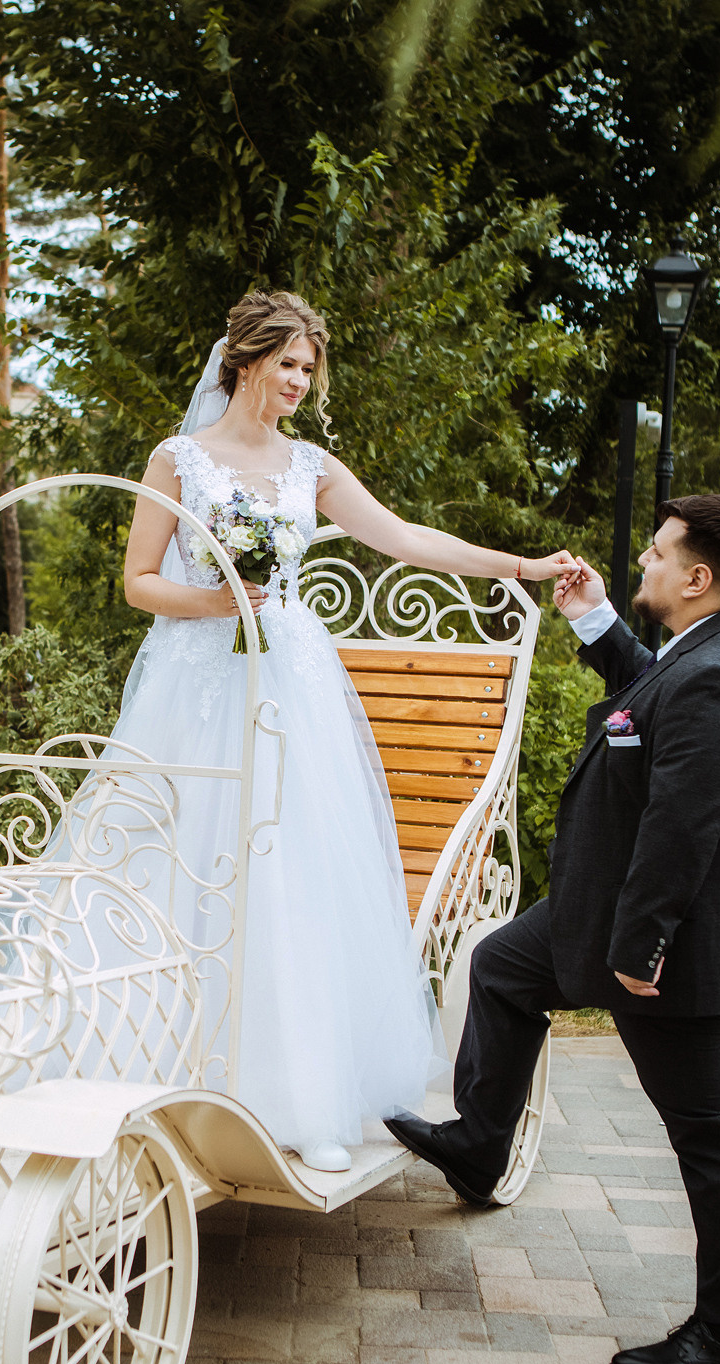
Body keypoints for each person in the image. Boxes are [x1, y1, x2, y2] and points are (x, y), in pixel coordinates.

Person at [87, 290, 575, 1174]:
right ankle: (155, 1076)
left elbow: (405, 539)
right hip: (194, 688)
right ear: (243, 362)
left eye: (309, 369)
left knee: (286, 877)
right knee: (178, 865)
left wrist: (520, 565)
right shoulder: (178, 459)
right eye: (288, 366)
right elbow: (138, 581)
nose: (301, 384)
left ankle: (296, 1095)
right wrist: (217, 600)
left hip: (288, 686)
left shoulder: (311, 466)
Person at [387, 493, 720, 1364]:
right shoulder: (714, 647)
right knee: (500, 967)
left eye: (655, 554)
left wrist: (639, 948)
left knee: (711, 1132)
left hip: (669, 947)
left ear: (695, 576)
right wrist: (594, 620)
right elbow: (652, 692)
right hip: (604, 909)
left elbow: (683, 828)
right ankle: (480, 1143)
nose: (641, 562)